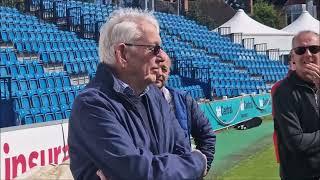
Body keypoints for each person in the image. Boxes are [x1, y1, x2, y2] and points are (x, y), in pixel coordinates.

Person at [68, 8, 207, 180]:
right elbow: (140, 174)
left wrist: (168, 166)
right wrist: (198, 161)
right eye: (154, 49)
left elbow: (181, 149)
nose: (162, 56)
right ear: (123, 54)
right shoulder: (92, 105)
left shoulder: (154, 95)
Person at [155, 51, 216, 171]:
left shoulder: (184, 99)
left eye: (164, 69)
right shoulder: (136, 100)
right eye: (155, 68)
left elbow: (206, 134)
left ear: (169, 73)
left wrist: (202, 168)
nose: (159, 73)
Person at [273, 31, 320, 180]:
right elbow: (296, 142)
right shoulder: (283, 91)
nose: (308, 54)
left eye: (314, 49)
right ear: (293, 57)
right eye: (300, 50)